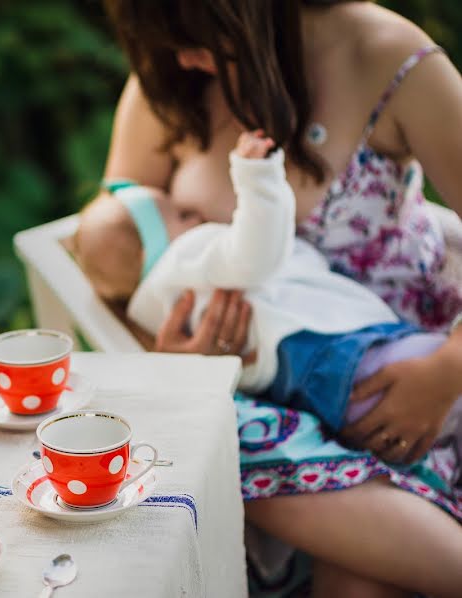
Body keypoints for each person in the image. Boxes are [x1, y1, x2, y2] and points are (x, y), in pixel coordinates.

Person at [95, 0, 462, 595]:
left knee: (359, 582)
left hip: (401, 381)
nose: (183, 57)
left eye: (196, 37)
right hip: (263, 405)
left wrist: (448, 367)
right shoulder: (169, 80)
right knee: (210, 437)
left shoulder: (391, 59)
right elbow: (113, 250)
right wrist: (170, 361)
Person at [76, 129, 461, 450]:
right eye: (178, 215)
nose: (195, 215)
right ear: (153, 246)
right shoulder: (187, 257)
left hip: (309, 384)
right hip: (336, 347)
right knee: (424, 381)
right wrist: (257, 177)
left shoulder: (156, 306)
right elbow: (257, 254)